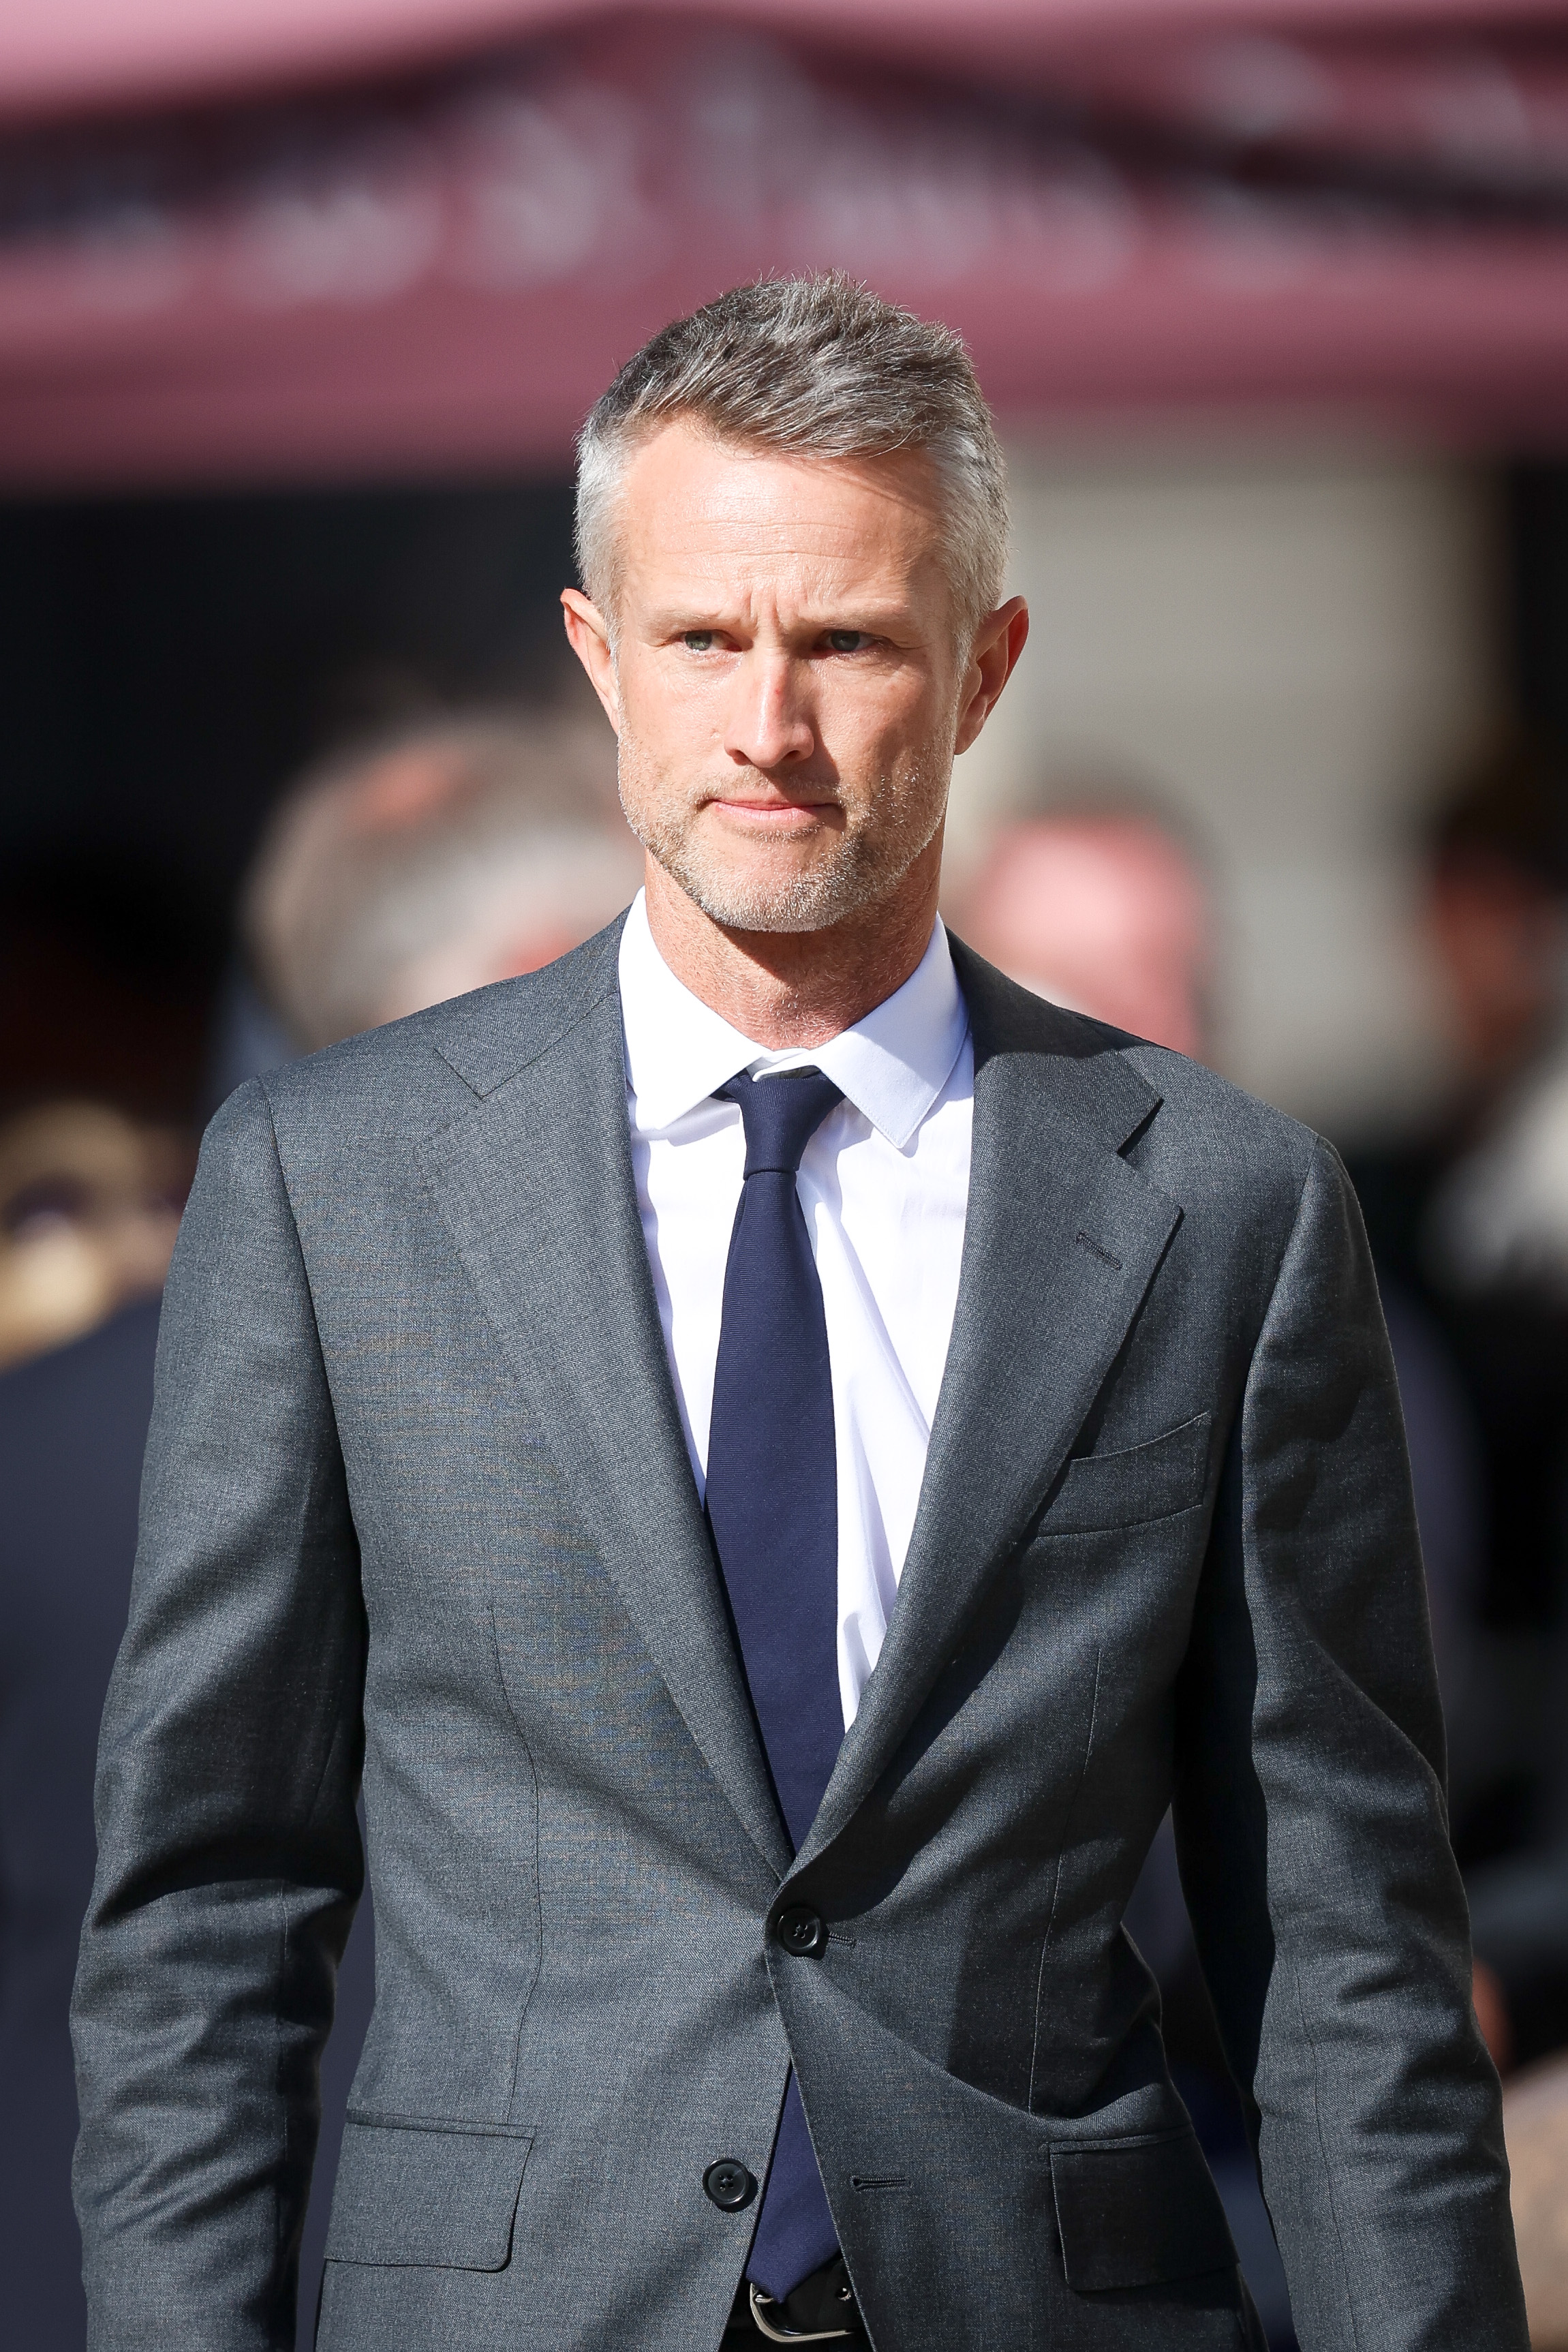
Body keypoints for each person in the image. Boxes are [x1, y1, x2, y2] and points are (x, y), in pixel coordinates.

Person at [72, 275, 1524, 2351]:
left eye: (844, 640)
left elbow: (1348, 1948)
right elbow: (211, 1903)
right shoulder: (337, 1182)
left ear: (983, 667)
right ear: (598, 657)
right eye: (701, 639)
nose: (767, 722)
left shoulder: (1217, 1205)